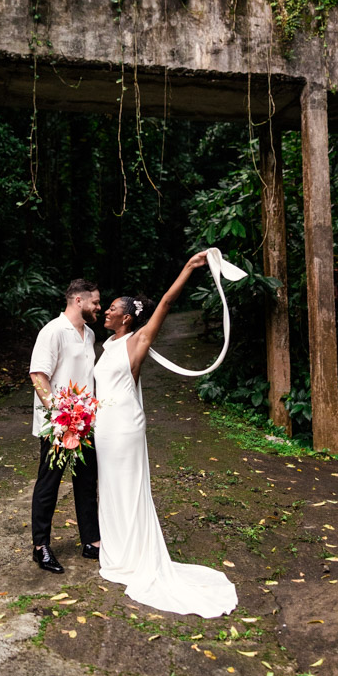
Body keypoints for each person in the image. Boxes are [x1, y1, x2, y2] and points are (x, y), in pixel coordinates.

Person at [94, 252, 238, 616]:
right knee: (109, 487)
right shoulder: (106, 346)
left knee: (128, 486)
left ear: (126, 317)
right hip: (103, 426)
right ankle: (118, 550)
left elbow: (168, 301)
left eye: (112, 308)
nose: (106, 312)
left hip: (125, 426)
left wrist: (189, 268)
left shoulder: (138, 340)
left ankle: (136, 555)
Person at [29, 278, 102, 573]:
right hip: (57, 425)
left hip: (86, 422)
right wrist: (59, 418)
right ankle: (40, 547)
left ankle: (91, 541)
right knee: (49, 483)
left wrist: (84, 418)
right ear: (78, 301)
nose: (99, 307)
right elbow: (38, 376)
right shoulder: (53, 331)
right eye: (95, 302)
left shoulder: (89, 334)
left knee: (86, 481)